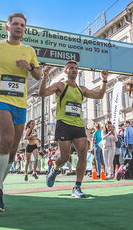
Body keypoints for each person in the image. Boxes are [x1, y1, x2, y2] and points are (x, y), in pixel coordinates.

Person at [0, 12, 41, 211]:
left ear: (24, 29)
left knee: (13, 149)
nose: (19, 27)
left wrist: (30, 66)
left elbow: (38, 75)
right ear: (7, 27)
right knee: (6, 137)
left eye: (22, 25)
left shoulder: (29, 50)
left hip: (20, 103)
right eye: (15, 24)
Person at [39, 61, 108, 198]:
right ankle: (54, 169)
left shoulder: (81, 89)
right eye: (71, 68)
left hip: (77, 124)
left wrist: (104, 80)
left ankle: (77, 187)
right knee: (64, 157)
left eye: (76, 68)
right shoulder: (60, 85)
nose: (74, 70)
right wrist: (45, 76)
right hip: (63, 123)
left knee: (82, 153)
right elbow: (42, 93)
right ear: (65, 71)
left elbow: (99, 95)